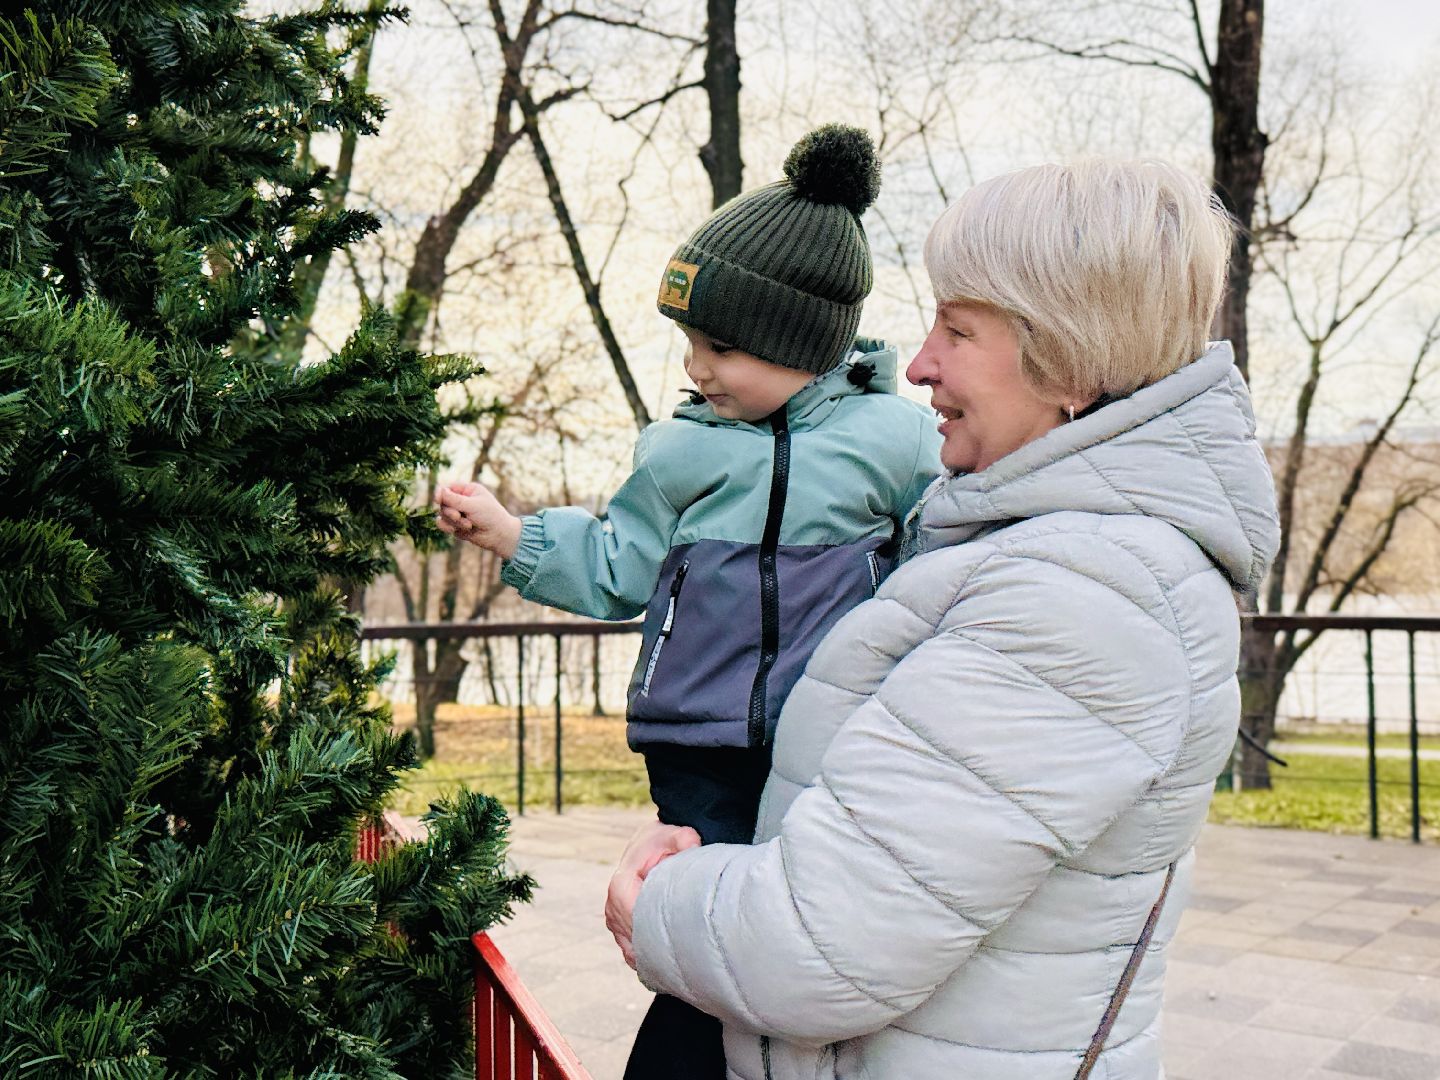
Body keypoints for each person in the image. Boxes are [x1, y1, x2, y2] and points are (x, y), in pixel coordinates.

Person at [609, 159, 1281, 1080]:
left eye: (958, 330)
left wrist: (655, 896)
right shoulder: (1036, 554)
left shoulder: (1083, 601)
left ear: (1068, 359)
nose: (918, 362)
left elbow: (813, 946)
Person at [435, 124, 941, 1079]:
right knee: (703, 936)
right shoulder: (683, 451)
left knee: (803, 925)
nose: (694, 368)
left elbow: (936, 562)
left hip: (832, 740)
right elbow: (620, 563)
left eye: (718, 347)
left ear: (801, 345)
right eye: (688, 344)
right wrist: (513, 533)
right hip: (698, 741)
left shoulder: (896, 444)